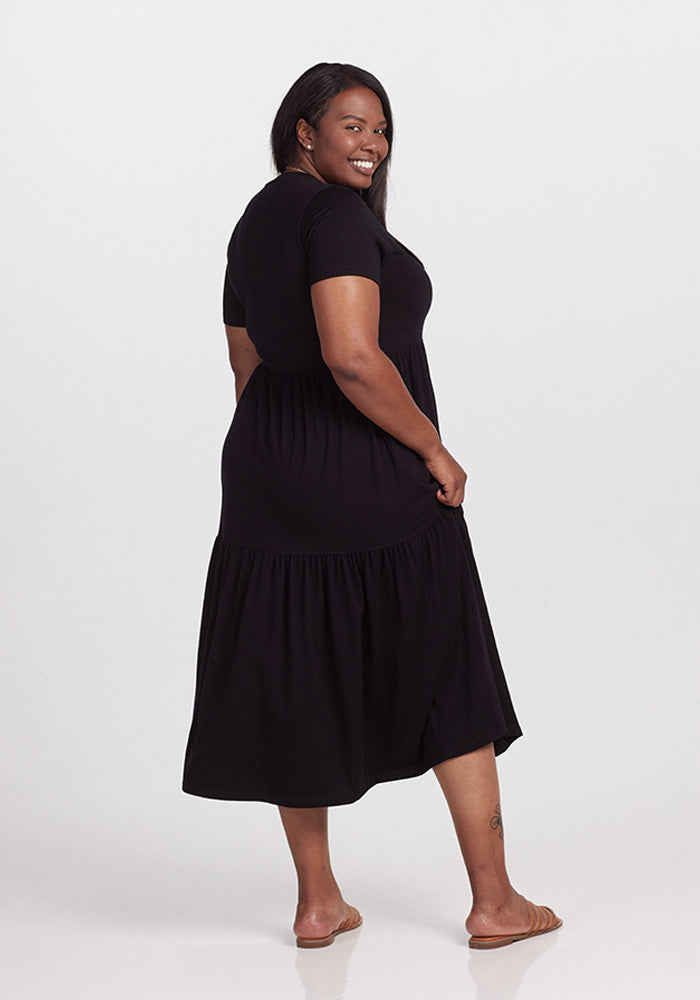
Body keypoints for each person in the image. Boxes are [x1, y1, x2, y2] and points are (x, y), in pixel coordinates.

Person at [181, 62, 562, 950]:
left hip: (269, 482)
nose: (372, 144)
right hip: (371, 478)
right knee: (449, 670)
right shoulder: (336, 218)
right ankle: (495, 901)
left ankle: (318, 903)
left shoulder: (253, 222)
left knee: (296, 673)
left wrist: (287, 470)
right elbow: (351, 356)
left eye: (382, 130)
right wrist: (431, 447)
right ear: (303, 130)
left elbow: (246, 366)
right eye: (352, 125)